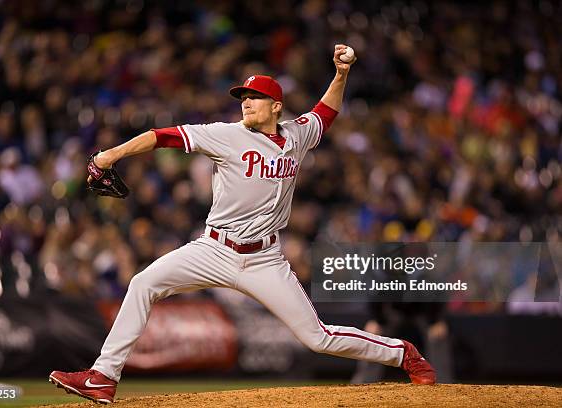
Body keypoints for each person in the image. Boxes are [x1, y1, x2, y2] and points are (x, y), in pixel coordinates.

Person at [49, 44, 435, 404]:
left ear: (276, 107)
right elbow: (162, 136)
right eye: (243, 98)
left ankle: (403, 353)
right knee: (143, 283)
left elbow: (325, 112)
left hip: (265, 260)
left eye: (254, 98)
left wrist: (341, 74)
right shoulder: (226, 136)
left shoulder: (297, 135)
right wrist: (110, 156)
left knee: (317, 338)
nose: (246, 103)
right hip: (214, 249)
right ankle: (103, 377)